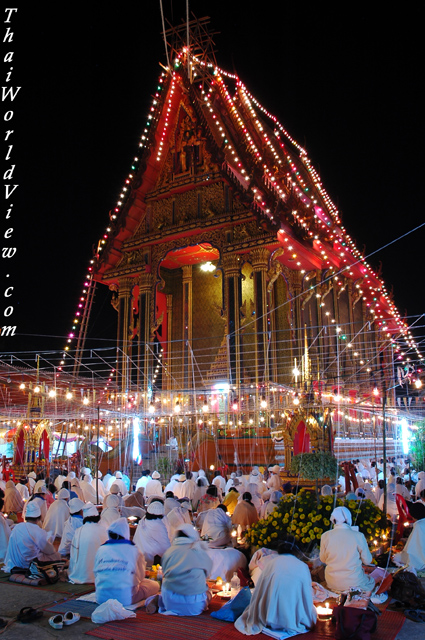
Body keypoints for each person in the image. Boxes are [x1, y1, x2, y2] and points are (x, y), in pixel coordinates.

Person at [234, 537, 316, 636]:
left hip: (267, 616)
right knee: (313, 611)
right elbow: (306, 596)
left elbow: (259, 592)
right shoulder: (303, 566)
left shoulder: (271, 563)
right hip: (293, 617)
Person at [147, 523, 212, 616]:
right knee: (208, 591)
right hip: (195, 607)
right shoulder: (199, 551)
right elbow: (206, 573)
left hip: (170, 603)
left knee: (168, 583)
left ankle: (159, 600)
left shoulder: (169, 552)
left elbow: (165, 573)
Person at [94, 517, 159, 605]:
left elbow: (96, 574)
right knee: (154, 585)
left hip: (101, 596)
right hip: (125, 598)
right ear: (125, 532)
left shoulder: (101, 549)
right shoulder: (133, 549)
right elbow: (140, 576)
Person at [319, 506, 375, 593]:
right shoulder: (358, 535)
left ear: (333, 520)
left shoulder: (325, 536)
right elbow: (368, 561)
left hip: (331, 582)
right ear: (348, 518)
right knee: (371, 581)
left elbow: (323, 559)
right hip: (354, 582)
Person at [3, 501, 62, 573]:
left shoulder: (17, 527)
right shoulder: (38, 531)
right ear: (39, 518)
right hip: (29, 564)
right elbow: (49, 551)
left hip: (14, 563)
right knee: (56, 555)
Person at [68, 503, 108, 584]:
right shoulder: (104, 530)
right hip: (102, 574)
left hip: (81, 574)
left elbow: (74, 555)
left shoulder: (78, 531)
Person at [133, 500, 171, 565]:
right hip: (150, 559)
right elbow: (165, 545)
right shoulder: (158, 525)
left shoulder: (144, 520)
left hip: (137, 554)